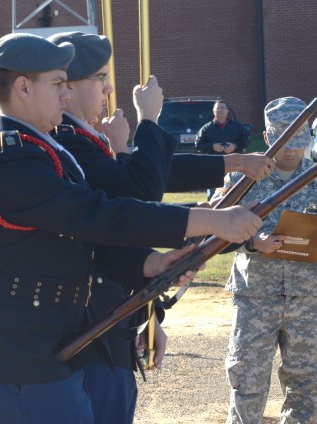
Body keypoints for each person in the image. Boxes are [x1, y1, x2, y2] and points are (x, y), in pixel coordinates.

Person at [0, 32, 263, 424]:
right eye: (57, 84)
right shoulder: (12, 159)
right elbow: (100, 215)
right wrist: (212, 219)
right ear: (23, 87)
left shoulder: (43, 150)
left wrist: (153, 263)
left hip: (46, 343)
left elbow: (89, 241)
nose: (65, 96)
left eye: (68, 84)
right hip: (19, 352)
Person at [46, 30, 275, 424]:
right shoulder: (68, 139)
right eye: (100, 78)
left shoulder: (84, 135)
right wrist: (148, 119)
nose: (109, 87)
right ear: (67, 85)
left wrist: (232, 166)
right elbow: (140, 193)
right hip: (93, 313)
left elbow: (150, 175)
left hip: (116, 305)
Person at [215, 97, 317, 424]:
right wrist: (255, 242)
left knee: (308, 383)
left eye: (299, 143)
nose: (292, 152)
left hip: (308, 297)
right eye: (285, 144)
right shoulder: (242, 180)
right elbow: (215, 227)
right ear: (268, 139)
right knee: (247, 383)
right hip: (255, 297)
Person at [196, 100, 250, 199]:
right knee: (214, 195)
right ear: (213, 111)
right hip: (214, 166)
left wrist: (235, 146)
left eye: (222, 108)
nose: (220, 110)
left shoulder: (237, 127)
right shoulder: (206, 128)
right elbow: (198, 144)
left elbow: (246, 140)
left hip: (235, 165)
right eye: (218, 108)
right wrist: (212, 146)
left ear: (227, 111)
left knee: (236, 193)